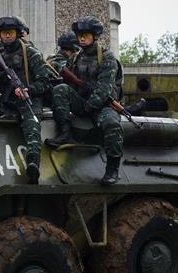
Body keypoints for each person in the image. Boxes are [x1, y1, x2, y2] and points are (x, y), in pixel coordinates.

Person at [46, 15, 123, 185]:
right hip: (82, 102)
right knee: (60, 90)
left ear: (94, 36)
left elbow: (105, 88)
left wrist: (90, 106)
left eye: (85, 35)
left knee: (112, 124)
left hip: (102, 106)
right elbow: (69, 81)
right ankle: (65, 133)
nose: (81, 38)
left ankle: (112, 170)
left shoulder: (107, 57)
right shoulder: (75, 58)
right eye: (79, 35)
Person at [0, 17, 51, 184]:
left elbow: (44, 82)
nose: (7, 36)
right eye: (4, 33)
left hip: (27, 100)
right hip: (6, 101)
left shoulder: (31, 53)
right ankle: (7, 113)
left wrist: (28, 89)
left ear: (17, 33)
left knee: (32, 126)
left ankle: (33, 163)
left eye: (10, 33)